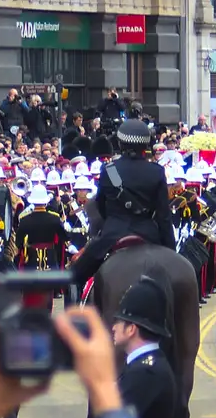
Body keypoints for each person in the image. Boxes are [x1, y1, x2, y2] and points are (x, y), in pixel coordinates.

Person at [72, 275, 178, 418]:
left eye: (119, 321)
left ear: (131, 330)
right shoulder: (145, 367)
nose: (113, 326)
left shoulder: (145, 373)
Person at [69, 118, 175, 291]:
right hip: (149, 234)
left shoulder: (109, 170)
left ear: (120, 143)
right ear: (146, 145)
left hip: (113, 234)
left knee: (75, 276)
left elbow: (101, 206)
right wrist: (171, 251)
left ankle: (78, 314)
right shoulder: (156, 171)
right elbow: (163, 216)